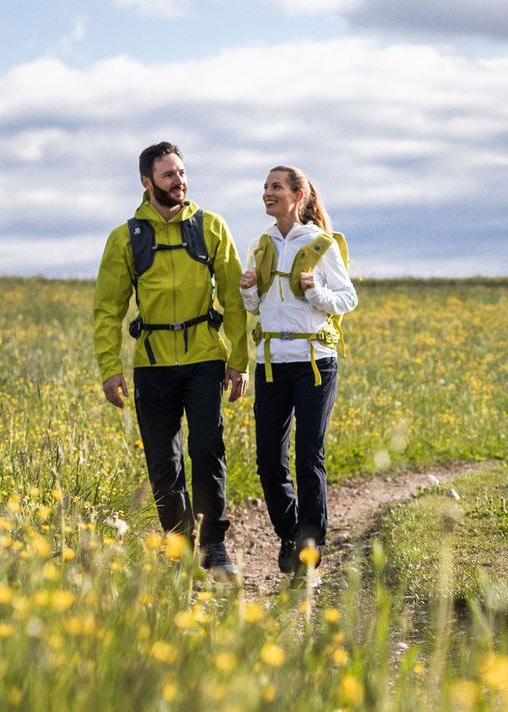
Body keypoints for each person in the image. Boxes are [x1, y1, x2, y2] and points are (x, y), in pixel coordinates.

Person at [93, 142, 250, 576]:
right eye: (168, 175)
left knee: (207, 450)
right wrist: (110, 369)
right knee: (163, 461)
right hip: (152, 365)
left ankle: (214, 547)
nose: (179, 181)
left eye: (181, 173)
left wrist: (240, 360)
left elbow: (235, 299)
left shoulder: (211, 227)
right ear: (147, 183)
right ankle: (178, 546)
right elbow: (107, 309)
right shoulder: (126, 237)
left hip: (204, 359)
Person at [238, 164, 357, 581]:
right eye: (265, 186)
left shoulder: (322, 244)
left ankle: (310, 544)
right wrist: (249, 288)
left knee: (309, 455)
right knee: (269, 461)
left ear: (298, 195)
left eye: (276, 187)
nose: (267, 193)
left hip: (314, 361)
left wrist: (316, 292)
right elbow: (253, 308)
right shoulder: (260, 245)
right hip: (271, 360)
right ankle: (288, 535)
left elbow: (348, 298)